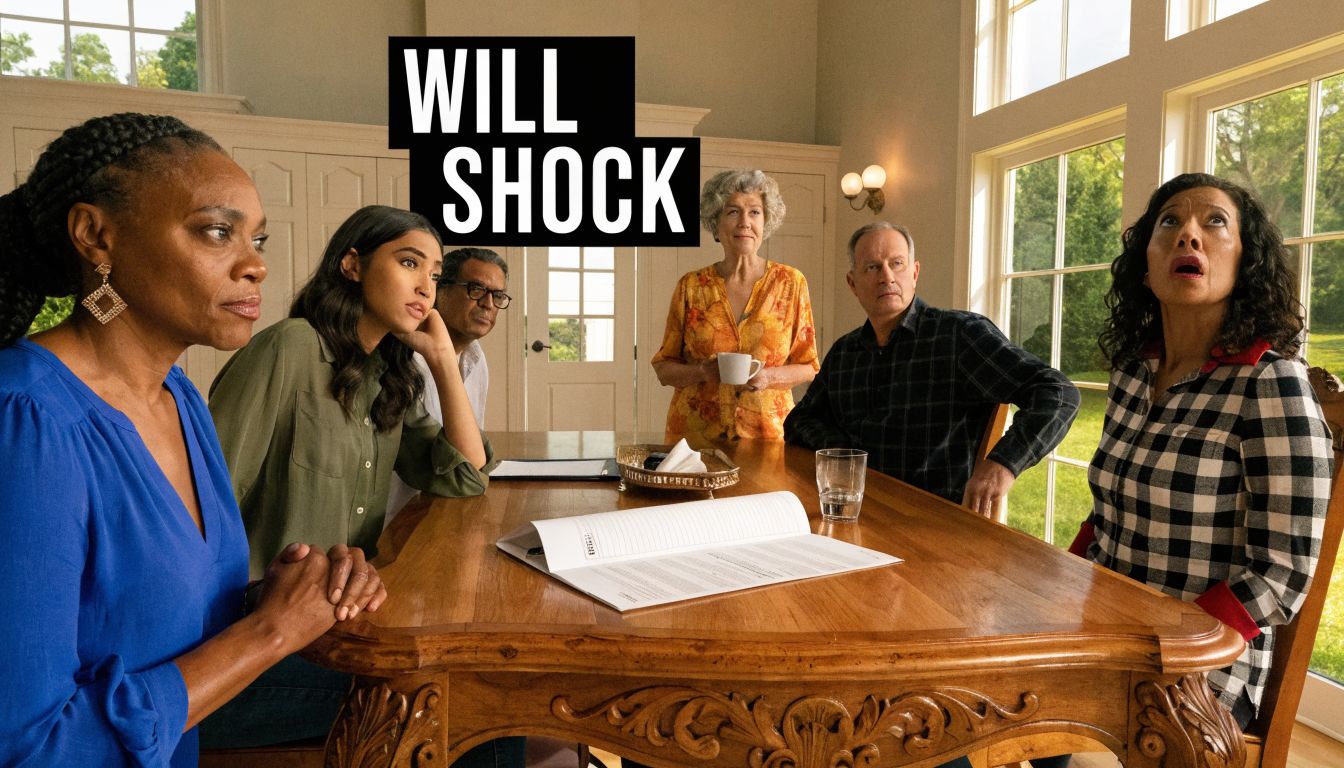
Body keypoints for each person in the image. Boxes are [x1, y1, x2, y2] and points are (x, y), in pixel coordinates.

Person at [0, 112, 384, 766]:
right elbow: (32, 748)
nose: (256, 265)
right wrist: (269, 632)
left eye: (256, 238)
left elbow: (147, 620)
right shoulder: (26, 420)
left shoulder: (179, 397)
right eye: (215, 231)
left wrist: (297, 591)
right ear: (96, 235)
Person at [1069, 173, 1333, 731]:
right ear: (1146, 263)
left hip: (1204, 663)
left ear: (1246, 261)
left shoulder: (1272, 383)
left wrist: (1173, 646)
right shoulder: (1133, 373)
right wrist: (1058, 582)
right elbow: (1108, 515)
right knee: (956, 698)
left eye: (1214, 222)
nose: (1189, 234)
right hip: (1107, 631)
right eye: (1170, 221)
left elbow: (1282, 572)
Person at [208, 205, 492, 578]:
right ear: (353, 265)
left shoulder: (390, 378)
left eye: (435, 275)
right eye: (410, 263)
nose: (426, 287)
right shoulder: (289, 347)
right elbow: (211, 498)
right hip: (261, 606)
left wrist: (441, 360)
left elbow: (466, 478)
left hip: (346, 605)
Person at [784, 221, 1080, 516]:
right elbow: (799, 421)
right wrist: (842, 451)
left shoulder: (959, 335)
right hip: (858, 511)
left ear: (914, 273)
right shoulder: (845, 351)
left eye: (896, 264)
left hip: (935, 520)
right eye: (872, 267)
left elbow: (1058, 392)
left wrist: (1003, 464)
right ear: (852, 283)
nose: (887, 277)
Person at [651, 169, 819, 439]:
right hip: (696, 439)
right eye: (732, 212)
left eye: (754, 212)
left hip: (768, 438)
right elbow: (663, 368)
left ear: (766, 222)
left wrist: (768, 378)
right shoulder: (691, 287)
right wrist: (702, 372)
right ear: (715, 222)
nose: (744, 222)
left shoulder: (790, 283)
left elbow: (809, 366)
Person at [386, 246, 510, 519]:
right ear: (439, 289)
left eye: (498, 295)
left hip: (451, 502)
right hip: (400, 520)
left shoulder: (476, 357)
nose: (489, 303)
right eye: (476, 289)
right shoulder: (402, 361)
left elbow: (470, 463)